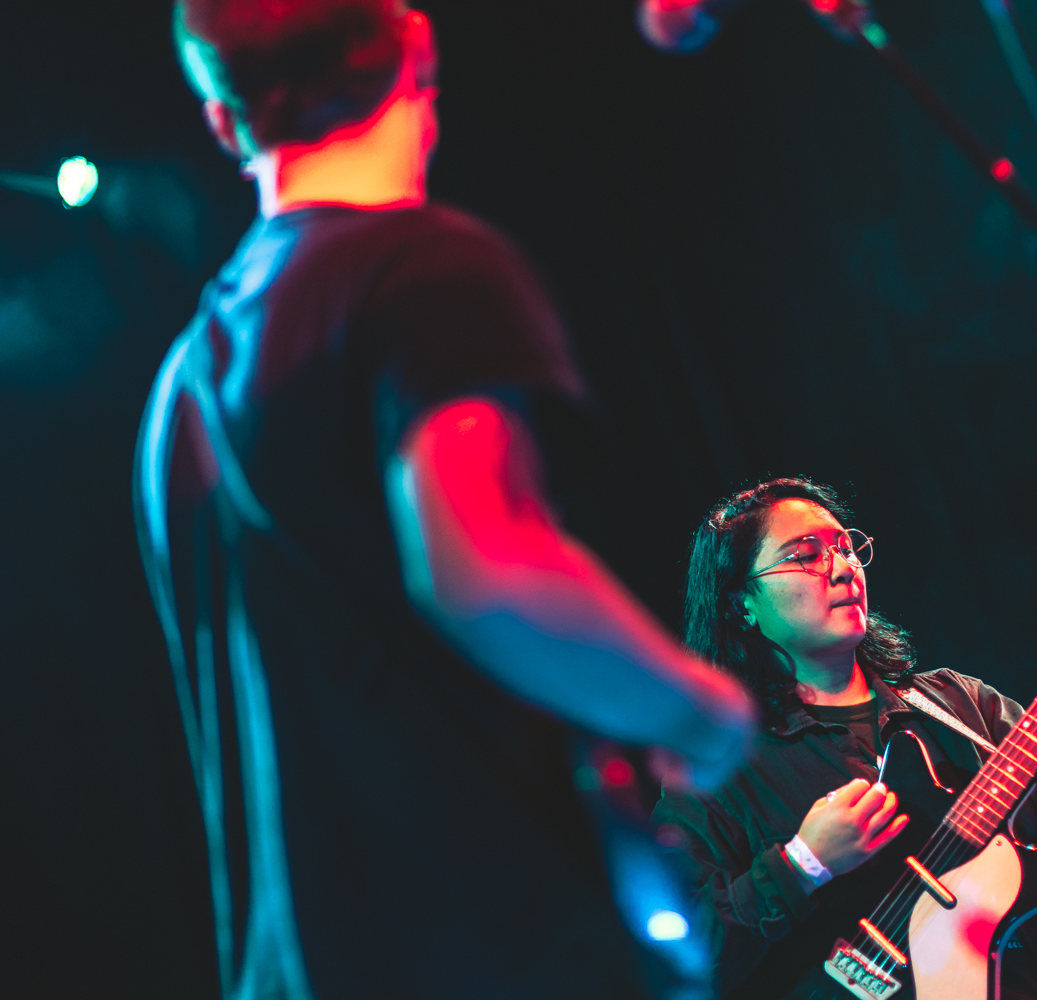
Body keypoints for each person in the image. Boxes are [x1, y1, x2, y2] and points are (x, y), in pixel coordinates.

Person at [133, 3, 754, 998]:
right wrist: (700, 712)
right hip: (497, 946)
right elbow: (486, 566)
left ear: (222, 120)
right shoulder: (422, 269)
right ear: (416, 44)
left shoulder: (179, 391)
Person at [652, 478, 1037, 999]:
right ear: (740, 604)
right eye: (805, 554)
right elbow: (683, 955)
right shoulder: (719, 770)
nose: (842, 567)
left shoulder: (956, 703)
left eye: (845, 547)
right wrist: (801, 864)